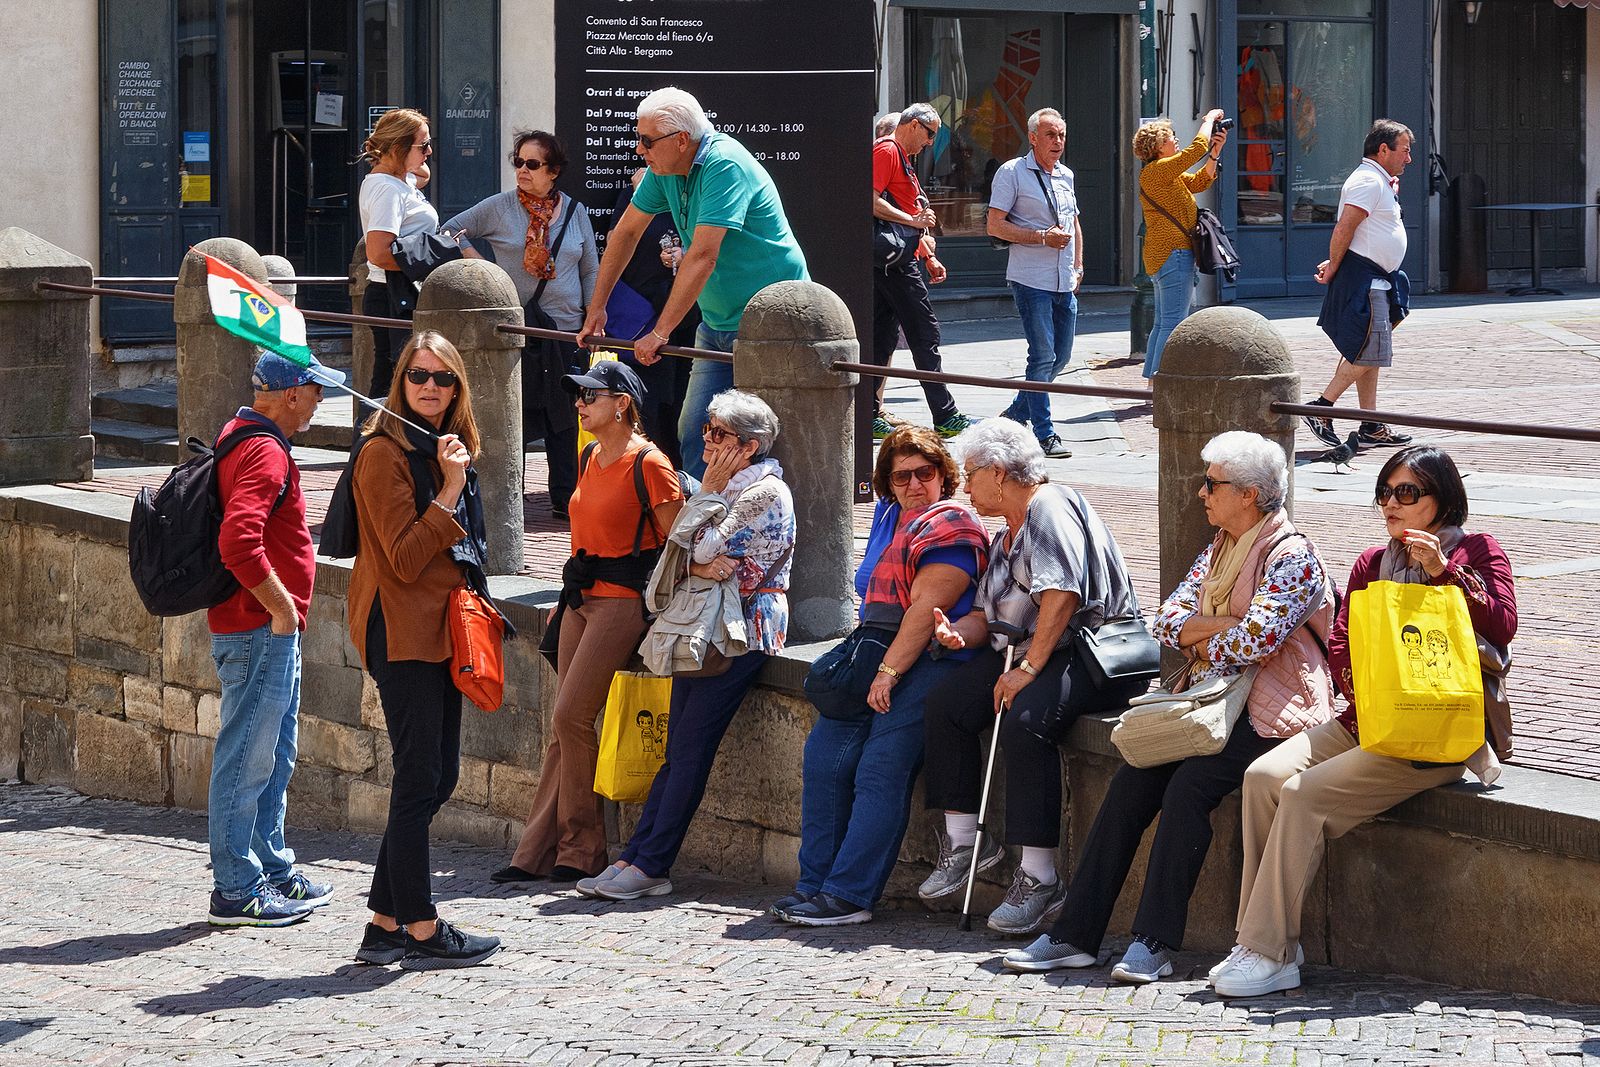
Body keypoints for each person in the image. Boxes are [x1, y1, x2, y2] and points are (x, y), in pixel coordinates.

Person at [1000, 430, 1335, 983]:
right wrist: (1218, 630)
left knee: (1189, 789)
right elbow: (1167, 620)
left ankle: (1153, 943)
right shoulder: (1221, 546)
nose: (1201, 493)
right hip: (1208, 700)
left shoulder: (1291, 554)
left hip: (1274, 710)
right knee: (1131, 781)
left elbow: (1256, 643)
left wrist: (1207, 635)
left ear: (1249, 494)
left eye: (1212, 484)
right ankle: (1074, 935)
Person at [1212, 445, 1515, 998]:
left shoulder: (1476, 551)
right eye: (1384, 492)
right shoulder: (1372, 562)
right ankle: (1266, 941)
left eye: (1407, 493)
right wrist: (1359, 698)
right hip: (1367, 721)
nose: (1391, 504)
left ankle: (1269, 951)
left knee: (1303, 794)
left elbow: (1502, 625)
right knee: (1261, 778)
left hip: (1434, 732)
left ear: (1442, 499)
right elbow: (1342, 638)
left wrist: (1443, 573)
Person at [919, 420, 1146, 936]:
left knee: (1026, 719)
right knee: (947, 703)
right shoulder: (1007, 535)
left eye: (971, 474)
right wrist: (959, 633)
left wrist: (1027, 668)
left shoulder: (1050, 505)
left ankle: (1040, 877)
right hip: (1033, 651)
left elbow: (1062, 596)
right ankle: (964, 845)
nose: (966, 485)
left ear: (999, 473)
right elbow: (988, 616)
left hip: (1092, 651)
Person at [579, 390, 795, 901]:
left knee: (689, 748)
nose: (707, 441)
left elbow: (695, 544)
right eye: (707, 430)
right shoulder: (729, 486)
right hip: (706, 625)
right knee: (675, 749)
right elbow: (677, 551)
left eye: (718, 434)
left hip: (740, 633)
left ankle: (651, 863)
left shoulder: (762, 493)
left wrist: (703, 515)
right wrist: (693, 558)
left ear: (749, 445)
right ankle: (637, 856)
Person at [773, 427, 990, 926]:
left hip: (932, 659)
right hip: (871, 651)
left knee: (879, 768)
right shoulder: (889, 517)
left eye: (925, 473)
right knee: (825, 757)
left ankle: (849, 896)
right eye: (901, 477)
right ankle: (814, 886)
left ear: (944, 475)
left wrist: (888, 673)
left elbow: (926, 608)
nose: (915, 485)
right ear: (887, 485)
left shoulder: (952, 523)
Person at [347, 331, 501, 969]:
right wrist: (448, 489)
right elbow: (406, 558)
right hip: (403, 628)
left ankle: (384, 924)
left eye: (444, 378)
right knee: (418, 779)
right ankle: (419, 923)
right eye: (419, 376)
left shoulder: (446, 448)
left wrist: (453, 473)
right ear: (400, 381)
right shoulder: (382, 454)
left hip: (443, 626)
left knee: (439, 777)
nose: (431, 387)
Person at [498, 361, 685, 884]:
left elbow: (676, 543)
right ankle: (535, 851)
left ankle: (581, 851)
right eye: (577, 396)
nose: (579, 405)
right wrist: (566, 596)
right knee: (565, 724)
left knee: (570, 720)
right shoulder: (587, 456)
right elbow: (584, 532)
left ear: (623, 402)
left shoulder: (650, 463)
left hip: (623, 602)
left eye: (590, 396)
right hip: (581, 597)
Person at [579, 86, 810, 478]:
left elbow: (703, 255)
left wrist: (660, 331)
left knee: (762, 439)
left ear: (682, 139)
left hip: (769, 324)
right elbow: (625, 234)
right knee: (695, 434)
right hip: (718, 322)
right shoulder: (665, 170)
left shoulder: (724, 164)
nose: (639, 149)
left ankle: (756, 527)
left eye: (647, 140)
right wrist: (596, 307)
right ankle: (697, 532)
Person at [205, 350, 345, 926]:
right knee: (246, 758)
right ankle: (236, 889)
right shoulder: (263, 448)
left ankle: (271, 866)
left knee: (274, 754)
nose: (319, 400)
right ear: (291, 394)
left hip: (264, 627)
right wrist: (282, 609)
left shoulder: (249, 436)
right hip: (259, 626)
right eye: (315, 390)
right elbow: (239, 542)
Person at [442, 130, 597, 518]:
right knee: (518, 413)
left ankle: (566, 499)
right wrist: (477, 260)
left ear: (554, 171)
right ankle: (510, 500)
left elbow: (590, 266)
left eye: (533, 164)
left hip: (564, 328)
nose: (522, 171)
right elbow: (449, 230)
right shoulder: (501, 206)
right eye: (518, 162)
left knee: (565, 415)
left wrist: (594, 315)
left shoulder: (576, 211)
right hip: (518, 329)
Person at [1301, 119, 1416, 453]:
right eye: (1405, 151)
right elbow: (1345, 226)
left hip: (1379, 277)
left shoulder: (1378, 180)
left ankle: (1371, 424)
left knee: (1371, 350)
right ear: (1384, 150)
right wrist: (1334, 265)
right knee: (1371, 348)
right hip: (1367, 278)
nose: (1408, 159)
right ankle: (1322, 407)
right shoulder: (1368, 180)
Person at [985, 108, 1082, 459]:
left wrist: (1078, 265)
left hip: (1063, 278)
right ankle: (1045, 433)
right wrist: (1041, 237)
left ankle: (1014, 416)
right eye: (1051, 135)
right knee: (1042, 356)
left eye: (1061, 135)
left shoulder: (1066, 175)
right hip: (1030, 279)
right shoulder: (1012, 172)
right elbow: (995, 226)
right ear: (1033, 138)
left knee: (1061, 357)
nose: (1058, 142)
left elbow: (1073, 224)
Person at [870, 103, 970, 442]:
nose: (930, 143)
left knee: (882, 336)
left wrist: (926, 253)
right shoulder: (888, 150)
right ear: (912, 125)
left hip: (896, 261)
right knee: (924, 334)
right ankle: (946, 414)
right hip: (895, 264)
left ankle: (868, 412)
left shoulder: (900, 156)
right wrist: (913, 221)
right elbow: (869, 200)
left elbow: (910, 207)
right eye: (929, 134)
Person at [598, 167, 701, 468]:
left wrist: (685, 254)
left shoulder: (694, 193)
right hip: (644, 316)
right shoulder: (637, 191)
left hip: (689, 313)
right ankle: (651, 470)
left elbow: (710, 244)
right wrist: (639, 194)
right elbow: (616, 241)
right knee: (650, 400)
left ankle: (683, 475)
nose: (642, 151)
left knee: (686, 399)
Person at [1134, 112, 1228, 378]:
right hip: (1173, 254)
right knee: (1173, 324)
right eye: (1169, 137)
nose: (1175, 140)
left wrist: (1215, 154)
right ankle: (1161, 381)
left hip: (1166, 255)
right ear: (1156, 147)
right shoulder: (1157, 171)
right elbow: (1195, 149)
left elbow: (1199, 181)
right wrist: (1208, 121)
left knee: (1163, 322)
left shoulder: (1166, 175)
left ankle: (1153, 380)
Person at [358, 108, 436, 417]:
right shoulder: (387, 189)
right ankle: (368, 452)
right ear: (396, 149)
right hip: (393, 294)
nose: (429, 152)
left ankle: (372, 451)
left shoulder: (399, 179)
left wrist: (409, 158)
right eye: (423, 146)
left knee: (396, 380)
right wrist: (428, 258)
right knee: (393, 384)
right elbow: (377, 252)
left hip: (398, 292)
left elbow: (424, 174)